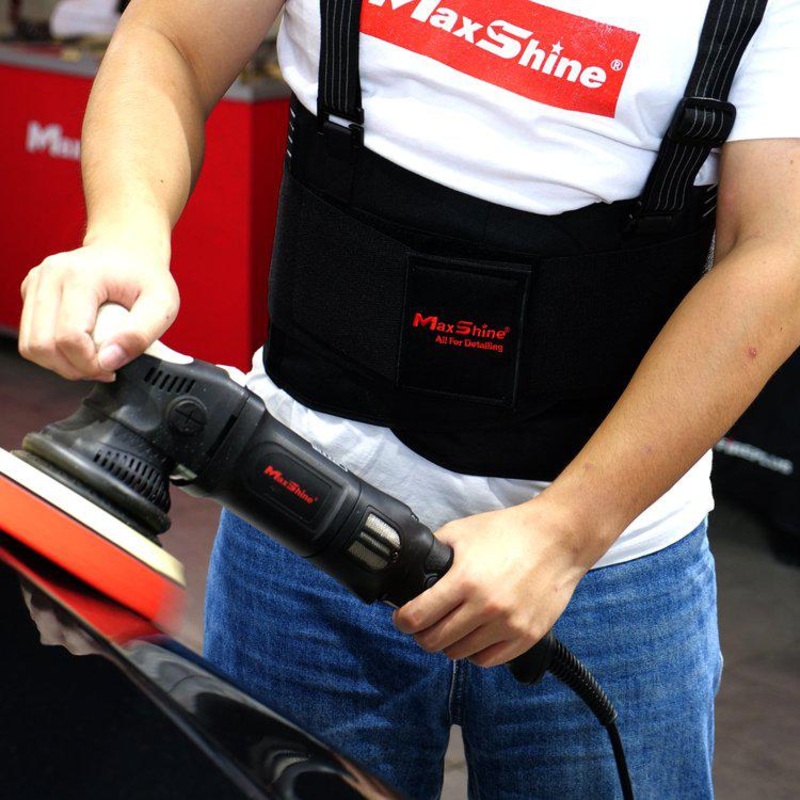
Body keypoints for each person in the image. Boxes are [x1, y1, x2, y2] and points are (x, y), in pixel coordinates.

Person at [17, 1, 800, 797]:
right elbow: (171, 40)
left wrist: (567, 534)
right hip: (296, 529)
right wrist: (124, 234)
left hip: (609, 573)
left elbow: (779, 247)